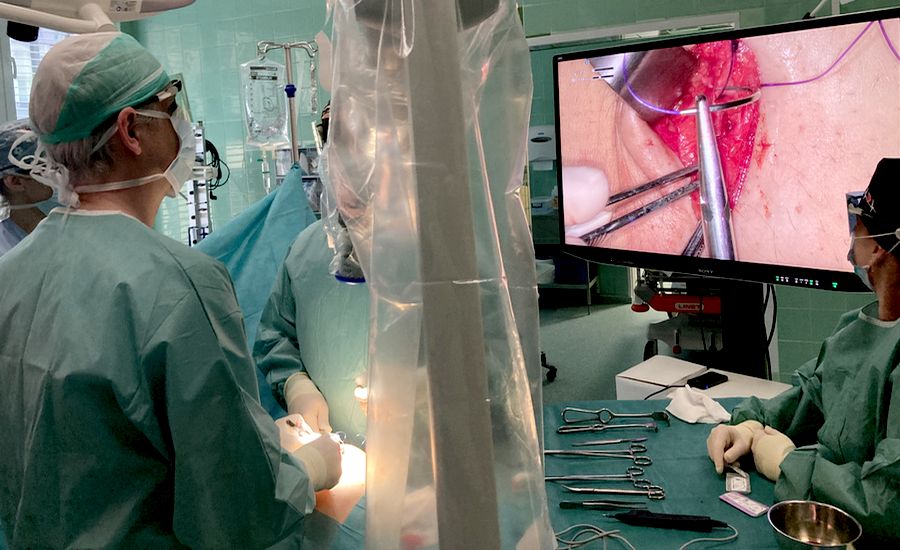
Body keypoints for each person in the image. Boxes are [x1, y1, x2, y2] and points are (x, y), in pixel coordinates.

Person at [0, 32, 341, 548]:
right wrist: (306, 469)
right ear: (131, 130)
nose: (182, 121)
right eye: (170, 104)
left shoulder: (11, 274)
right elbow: (235, 509)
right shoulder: (180, 284)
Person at [706, 157, 900, 544]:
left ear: (878, 248)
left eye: (858, 227)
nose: (852, 240)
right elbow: (811, 397)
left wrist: (788, 464)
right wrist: (749, 425)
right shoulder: (859, 329)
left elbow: (886, 502)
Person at [254, 219, 369, 445]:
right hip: (334, 446)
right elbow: (276, 335)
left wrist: (420, 393)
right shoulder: (306, 250)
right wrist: (296, 385)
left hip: (429, 451)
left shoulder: (439, 248)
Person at [0, 120, 52, 257]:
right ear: (15, 181)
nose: (57, 175)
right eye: (44, 168)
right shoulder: (5, 252)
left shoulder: (62, 229)